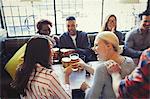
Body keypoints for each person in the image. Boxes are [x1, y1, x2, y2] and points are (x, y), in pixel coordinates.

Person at [79, 31, 136, 99]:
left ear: (109, 46)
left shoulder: (101, 68)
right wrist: (85, 66)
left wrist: (86, 89)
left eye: (96, 45)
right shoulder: (130, 61)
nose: (93, 49)